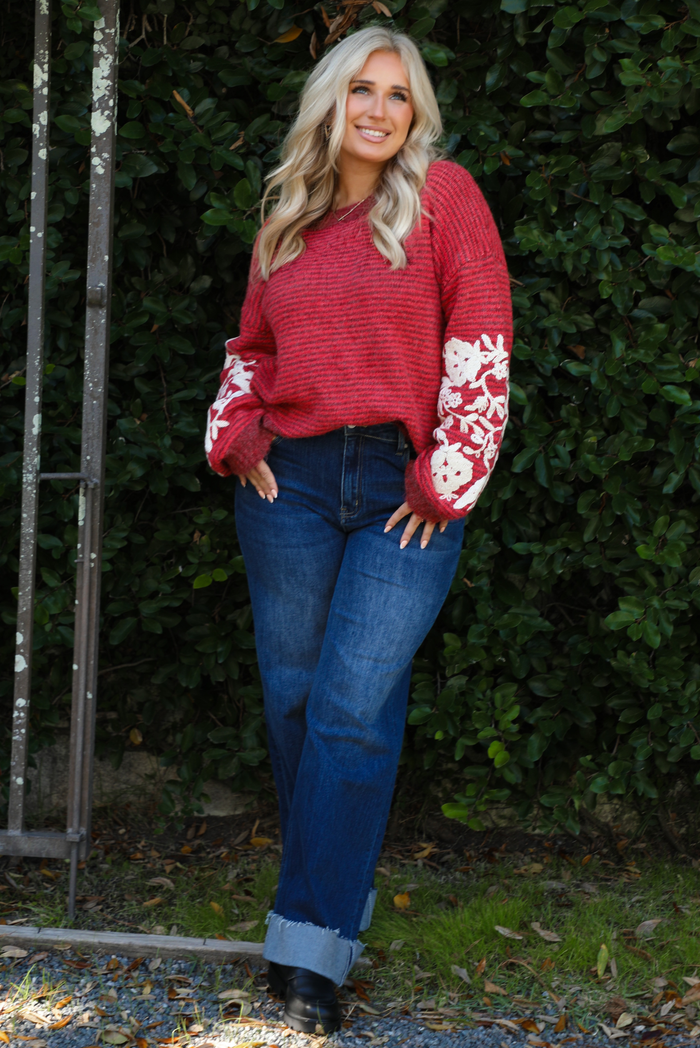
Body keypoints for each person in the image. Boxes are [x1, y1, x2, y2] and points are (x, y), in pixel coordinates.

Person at [205, 25, 512, 1035]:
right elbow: (250, 346)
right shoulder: (285, 219)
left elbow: (481, 336)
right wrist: (237, 435)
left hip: (399, 484)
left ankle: (309, 948)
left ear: (414, 111)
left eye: (397, 93)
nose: (378, 109)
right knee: (294, 705)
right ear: (329, 106)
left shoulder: (444, 199)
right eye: (360, 91)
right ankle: (325, 920)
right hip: (285, 484)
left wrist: (446, 475)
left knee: (348, 708)